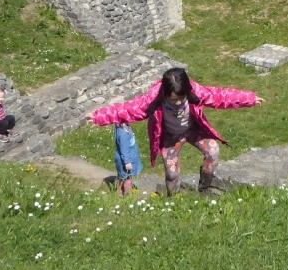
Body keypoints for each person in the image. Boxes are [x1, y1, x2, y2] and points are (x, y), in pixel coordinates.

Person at [85, 67, 264, 196]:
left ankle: (204, 190)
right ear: (164, 94)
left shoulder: (194, 91)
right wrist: (99, 117)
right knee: (171, 173)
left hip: (192, 130)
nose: (178, 103)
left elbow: (219, 96)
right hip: (170, 137)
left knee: (213, 152)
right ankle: (174, 198)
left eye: (181, 99)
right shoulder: (152, 99)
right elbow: (127, 109)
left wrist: (249, 99)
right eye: (172, 100)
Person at [113, 122, 143, 196]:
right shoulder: (123, 133)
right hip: (125, 160)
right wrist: (127, 162)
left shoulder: (124, 127)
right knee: (126, 178)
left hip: (128, 156)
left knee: (124, 176)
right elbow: (124, 149)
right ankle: (126, 195)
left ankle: (121, 190)